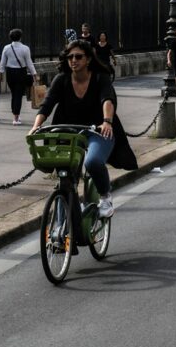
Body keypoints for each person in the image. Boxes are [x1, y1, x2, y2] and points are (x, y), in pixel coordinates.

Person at [32, 39, 138, 218]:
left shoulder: (99, 77)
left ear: (88, 59)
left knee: (93, 162)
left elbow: (107, 100)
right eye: (70, 57)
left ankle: (105, 197)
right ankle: (68, 212)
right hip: (68, 131)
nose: (73, 60)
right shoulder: (61, 79)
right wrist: (36, 127)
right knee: (65, 175)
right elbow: (47, 105)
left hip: (98, 130)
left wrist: (107, 121)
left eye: (78, 56)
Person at [0, 28, 38, 127]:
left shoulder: (6, 48)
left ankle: (15, 114)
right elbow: (29, 63)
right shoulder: (25, 48)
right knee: (18, 95)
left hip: (10, 73)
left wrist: (0, 74)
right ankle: (16, 118)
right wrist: (34, 74)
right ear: (20, 37)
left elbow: (2, 63)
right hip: (21, 72)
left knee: (14, 94)